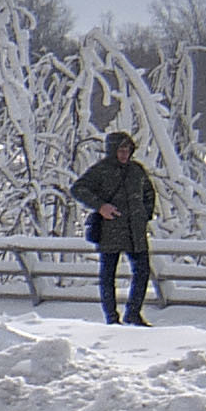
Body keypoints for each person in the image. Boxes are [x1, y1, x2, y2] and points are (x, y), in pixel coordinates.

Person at [72, 127, 161, 324]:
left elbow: (149, 192)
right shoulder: (101, 170)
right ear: (112, 150)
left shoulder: (136, 170)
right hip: (110, 230)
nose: (124, 154)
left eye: (127, 150)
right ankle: (111, 317)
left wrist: (143, 215)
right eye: (121, 150)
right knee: (108, 275)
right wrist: (101, 206)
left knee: (142, 271)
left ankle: (133, 313)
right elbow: (78, 189)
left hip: (135, 231)